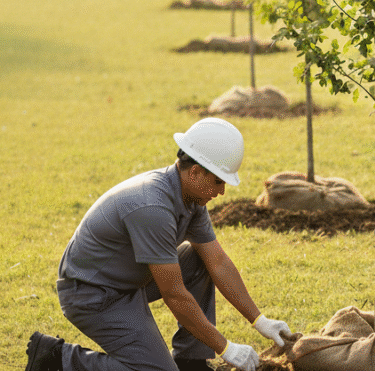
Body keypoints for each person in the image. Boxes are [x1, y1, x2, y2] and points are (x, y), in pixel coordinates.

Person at [24, 118, 292, 371]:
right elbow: (174, 293)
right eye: (218, 181)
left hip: (126, 282)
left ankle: (191, 362)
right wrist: (225, 348)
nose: (222, 191)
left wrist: (259, 320)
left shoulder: (191, 198)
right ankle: (57, 358)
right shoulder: (153, 206)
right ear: (196, 172)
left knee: (198, 260)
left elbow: (217, 262)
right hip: (92, 294)